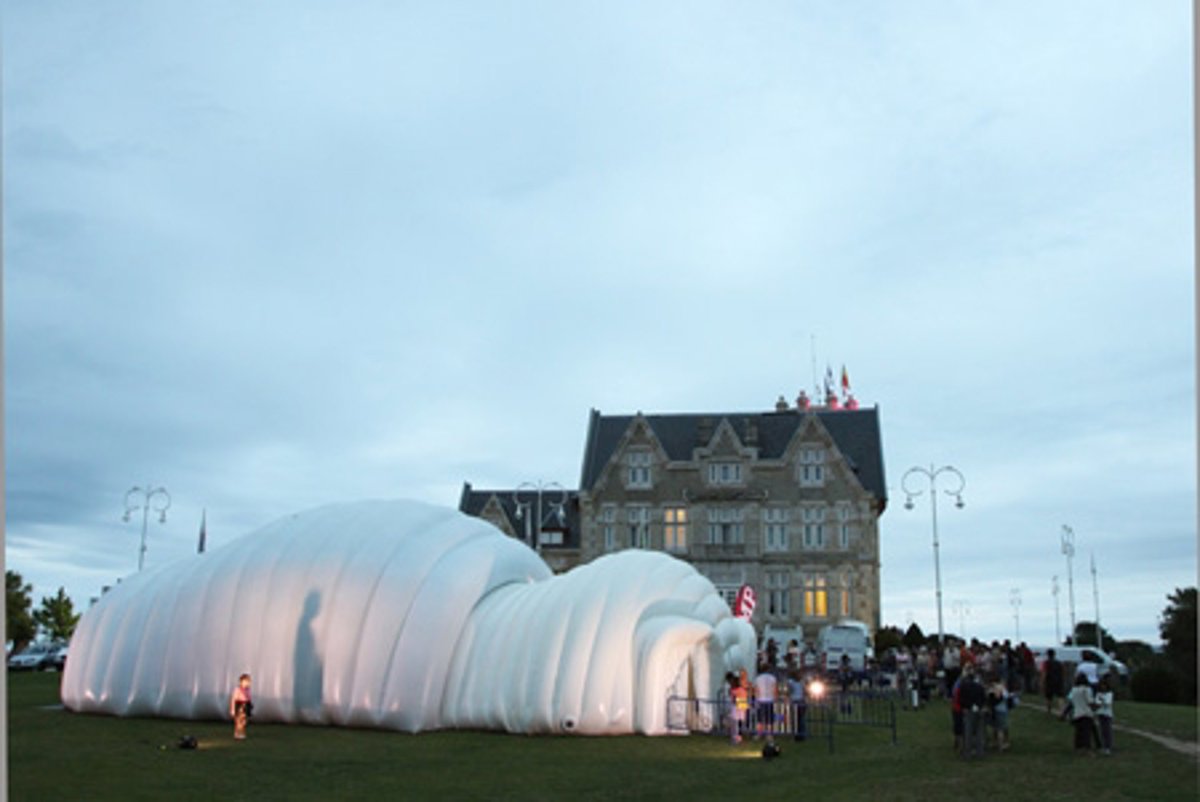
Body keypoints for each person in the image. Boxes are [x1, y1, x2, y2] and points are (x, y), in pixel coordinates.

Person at [959, 665, 987, 759]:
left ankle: (967, 753)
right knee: (979, 732)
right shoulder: (979, 686)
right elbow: (983, 698)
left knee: (968, 732)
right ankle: (980, 752)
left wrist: (965, 707)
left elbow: (961, 699)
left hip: (968, 709)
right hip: (979, 709)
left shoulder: (963, 686)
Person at [1067, 673, 1098, 752]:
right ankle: (1087, 748)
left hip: (1077, 713)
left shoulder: (1074, 690)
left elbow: (1070, 701)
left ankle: (1077, 747)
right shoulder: (1086, 689)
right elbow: (1090, 701)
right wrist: (1095, 707)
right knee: (1086, 733)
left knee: (1078, 732)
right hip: (1086, 713)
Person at [986, 672, 1011, 751]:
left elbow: (989, 698)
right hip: (1002, 710)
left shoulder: (991, 688)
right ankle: (1000, 746)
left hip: (993, 710)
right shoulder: (1002, 688)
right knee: (1000, 729)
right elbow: (1006, 697)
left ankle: (995, 742)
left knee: (995, 728)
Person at [753, 662, 778, 738]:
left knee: (760, 718)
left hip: (761, 700)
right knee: (769, 718)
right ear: (768, 669)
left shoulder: (758, 678)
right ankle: (769, 734)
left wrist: (756, 699)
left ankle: (759, 733)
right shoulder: (773, 678)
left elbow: (756, 690)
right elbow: (775, 690)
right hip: (770, 700)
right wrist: (775, 698)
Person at [1095, 675, 1115, 755]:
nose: (1103, 687)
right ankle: (1103, 746)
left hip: (1107, 714)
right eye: (1102, 685)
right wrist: (1101, 701)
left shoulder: (1109, 694)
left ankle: (1108, 747)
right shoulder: (1098, 694)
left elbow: (1108, 703)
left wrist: (1101, 700)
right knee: (1102, 731)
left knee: (1108, 731)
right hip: (1100, 713)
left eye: (1104, 685)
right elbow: (1097, 702)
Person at [229, 673, 253, 740]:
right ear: (241, 682)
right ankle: (237, 733)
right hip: (239, 704)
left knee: (244, 721)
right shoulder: (237, 689)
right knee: (238, 720)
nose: (247, 683)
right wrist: (233, 709)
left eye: (248, 682)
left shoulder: (248, 689)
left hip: (246, 704)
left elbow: (249, 698)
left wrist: (249, 705)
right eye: (246, 681)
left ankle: (242, 733)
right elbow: (233, 699)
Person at [727, 671, 748, 744]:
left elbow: (733, 699)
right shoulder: (742, 689)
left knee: (735, 723)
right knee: (740, 723)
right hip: (742, 704)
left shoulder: (733, 690)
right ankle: (739, 737)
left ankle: (736, 738)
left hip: (737, 706)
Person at [1042, 648, 1064, 714]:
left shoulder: (1046, 663)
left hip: (1049, 681)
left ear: (1047, 655)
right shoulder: (1059, 663)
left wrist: (1042, 681)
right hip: (1058, 681)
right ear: (1054, 654)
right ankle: (1062, 710)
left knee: (1048, 696)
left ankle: (1048, 709)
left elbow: (1044, 672)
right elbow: (1062, 672)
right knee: (1060, 696)